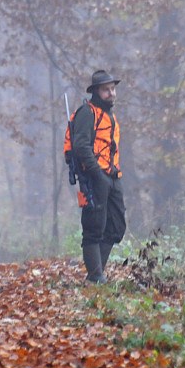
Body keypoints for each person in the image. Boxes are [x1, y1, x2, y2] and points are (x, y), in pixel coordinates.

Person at [66, 69, 126, 283]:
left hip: (112, 177)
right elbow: (81, 146)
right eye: (105, 90)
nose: (111, 93)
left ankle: (96, 274)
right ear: (95, 92)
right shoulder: (86, 113)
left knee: (116, 227)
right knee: (94, 227)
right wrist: (96, 175)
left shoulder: (110, 115)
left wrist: (109, 177)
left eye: (112, 89)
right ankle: (95, 277)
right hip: (95, 177)